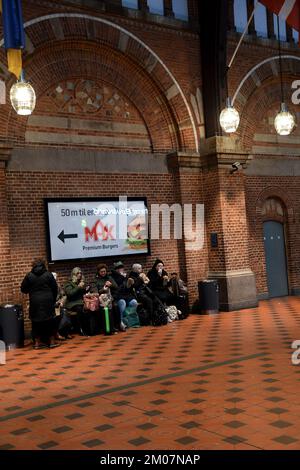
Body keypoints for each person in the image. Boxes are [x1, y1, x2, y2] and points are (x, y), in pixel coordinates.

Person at [21, 259, 59, 350]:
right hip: (48, 300)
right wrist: (52, 299)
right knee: (50, 321)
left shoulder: (29, 276)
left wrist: (31, 290)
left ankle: (37, 343)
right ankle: (52, 342)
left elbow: (23, 289)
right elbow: (55, 288)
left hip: (35, 301)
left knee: (35, 322)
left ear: (33, 265)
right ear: (43, 265)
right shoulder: (48, 274)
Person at [91, 263, 120, 333]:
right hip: (100, 300)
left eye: (104, 271)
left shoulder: (109, 277)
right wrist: (103, 289)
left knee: (115, 306)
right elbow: (96, 292)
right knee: (106, 308)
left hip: (110, 298)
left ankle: (117, 325)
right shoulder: (95, 280)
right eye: (101, 272)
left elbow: (116, 287)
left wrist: (111, 285)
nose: (103, 273)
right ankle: (108, 328)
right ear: (98, 272)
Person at [110, 261, 138, 331]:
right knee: (122, 303)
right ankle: (121, 322)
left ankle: (130, 320)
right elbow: (117, 289)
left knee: (134, 302)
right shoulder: (112, 277)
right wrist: (122, 278)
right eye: (120, 268)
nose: (122, 270)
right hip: (118, 297)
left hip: (127, 296)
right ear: (116, 269)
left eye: (122, 268)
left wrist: (130, 284)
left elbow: (129, 289)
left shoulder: (125, 276)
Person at [64, 267, 90, 336]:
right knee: (79, 309)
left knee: (88, 308)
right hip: (72, 303)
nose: (80, 275)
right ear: (73, 274)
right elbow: (70, 294)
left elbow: (82, 293)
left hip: (80, 301)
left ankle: (90, 328)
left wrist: (86, 289)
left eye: (80, 273)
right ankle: (80, 329)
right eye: (78, 273)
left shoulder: (81, 282)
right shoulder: (68, 283)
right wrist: (78, 287)